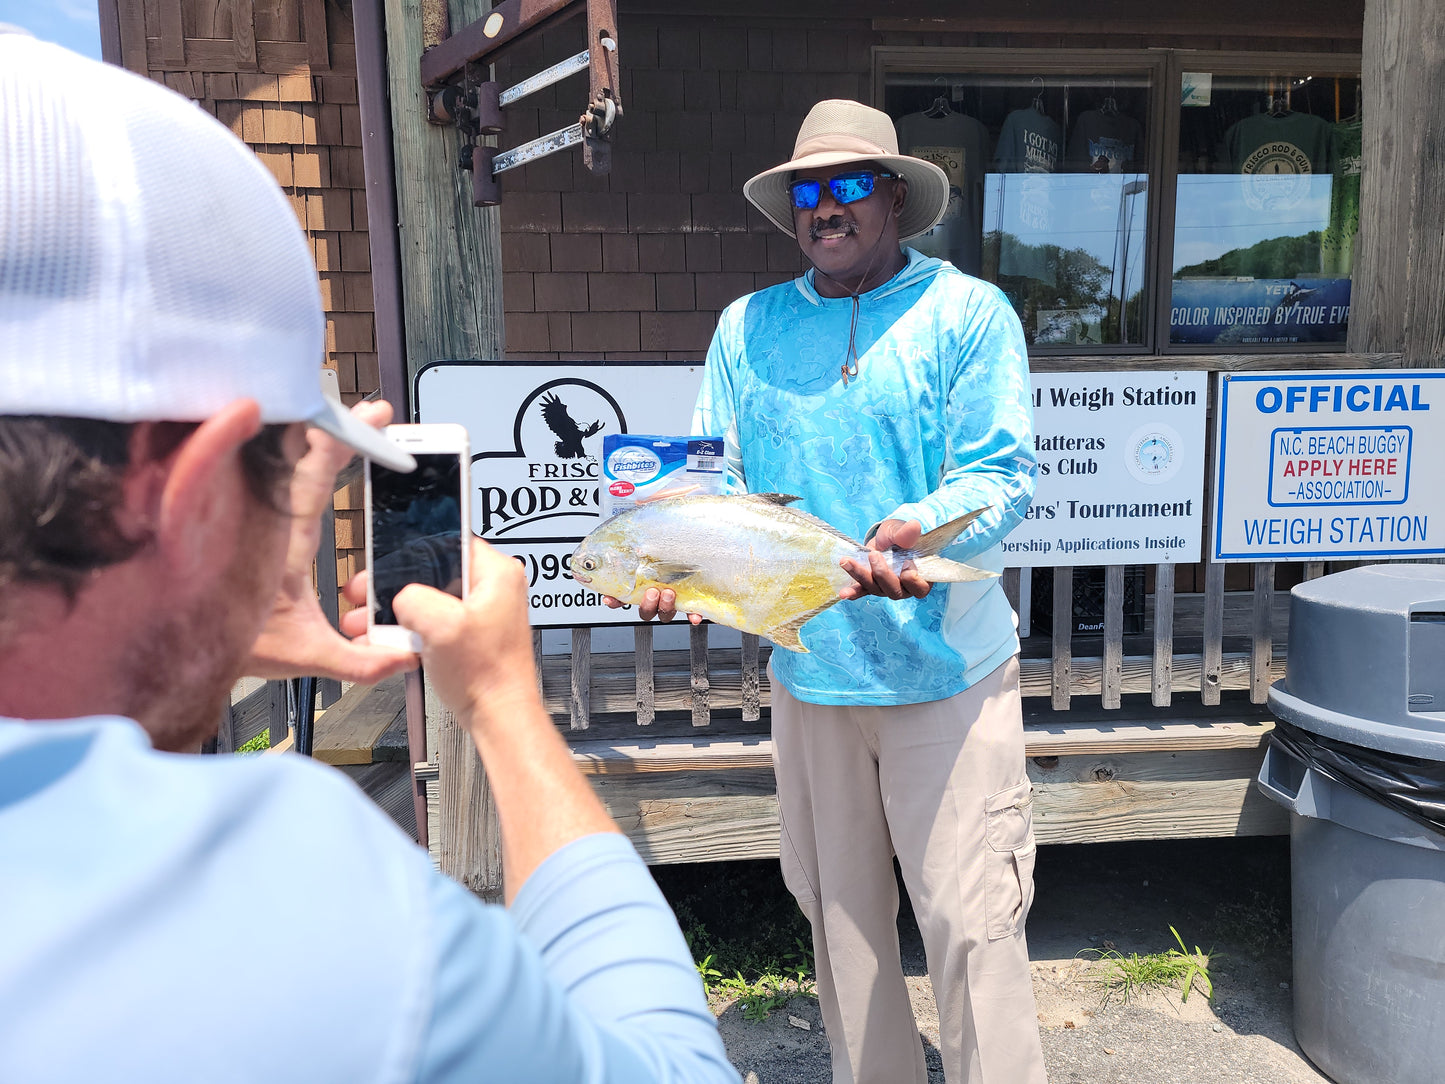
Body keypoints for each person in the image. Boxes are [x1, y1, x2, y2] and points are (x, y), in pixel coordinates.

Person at [0, 30, 736, 1084]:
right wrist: (502, 702)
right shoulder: (290, 907)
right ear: (201, 495)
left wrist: (194, 632)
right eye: (295, 468)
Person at [629, 100, 1046, 1083]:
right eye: (807, 191)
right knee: (842, 927)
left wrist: (921, 526)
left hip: (947, 675)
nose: (824, 208)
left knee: (971, 925)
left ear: (893, 197)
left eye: (848, 185)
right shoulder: (746, 328)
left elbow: (1000, 474)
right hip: (811, 682)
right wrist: (668, 564)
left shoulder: (966, 314)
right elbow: (708, 486)